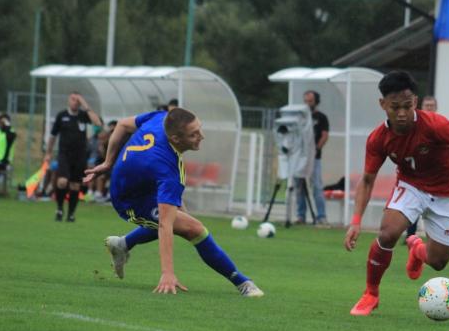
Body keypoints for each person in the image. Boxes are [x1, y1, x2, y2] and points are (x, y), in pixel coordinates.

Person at [343, 71, 449, 316]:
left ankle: (417, 249)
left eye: (407, 105)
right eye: (395, 107)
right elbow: (368, 179)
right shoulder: (379, 139)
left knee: (437, 262)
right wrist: (356, 222)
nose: (402, 113)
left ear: (415, 101)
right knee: (388, 232)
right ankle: (370, 294)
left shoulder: (435, 125)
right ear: (382, 104)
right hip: (411, 185)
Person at [83, 107, 264, 296]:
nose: (201, 136)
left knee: (184, 221)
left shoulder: (161, 118)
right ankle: (243, 283)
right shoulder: (168, 170)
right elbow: (165, 225)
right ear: (176, 139)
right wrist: (167, 273)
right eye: (194, 134)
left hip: (142, 184)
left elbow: (122, 124)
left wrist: (108, 162)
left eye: (199, 128)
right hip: (129, 200)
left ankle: (122, 244)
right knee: (193, 228)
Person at [44, 92, 102, 222]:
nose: (75, 102)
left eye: (77, 100)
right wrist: (48, 153)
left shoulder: (83, 115)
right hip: (64, 155)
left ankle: (71, 214)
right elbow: (53, 136)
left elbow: (97, 123)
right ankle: (59, 209)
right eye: (73, 99)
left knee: (75, 185)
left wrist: (85, 105)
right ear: (68, 101)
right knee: (62, 181)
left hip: (80, 156)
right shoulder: (62, 116)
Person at [405, 95, 439, 239]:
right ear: (421, 107)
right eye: (427, 105)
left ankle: (436, 236)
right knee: (414, 204)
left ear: (436, 108)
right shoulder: (415, 126)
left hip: (436, 175)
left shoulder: (440, 126)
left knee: (436, 207)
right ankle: (410, 235)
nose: (429, 108)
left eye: (432, 105)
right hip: (418, 174)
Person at [295, 90, 329, 226]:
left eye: (310, 101)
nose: (307, 104)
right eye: (305, 101)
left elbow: (324, 135)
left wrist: (315, 150)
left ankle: (321, 216)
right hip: (299, 158)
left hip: (314, 158)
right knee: (299, 187)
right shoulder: (300, 117)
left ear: (316, 102)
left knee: (317, 186)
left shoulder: (321, 117)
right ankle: (300, 216)